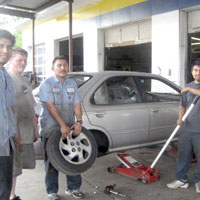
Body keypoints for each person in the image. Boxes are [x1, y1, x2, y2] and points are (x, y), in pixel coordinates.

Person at [39, 56, 84, 200]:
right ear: (53, 69)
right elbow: (50, 106)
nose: (63, 68)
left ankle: (73, 188)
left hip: (69, 127)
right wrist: (62, 125)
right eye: (59, 65)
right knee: (53, 161)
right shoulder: (47, 84)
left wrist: (79, 121)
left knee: (73, 158)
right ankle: (52, 191)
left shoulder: (72, 83)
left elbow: (77, 103)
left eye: (65, 65)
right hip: (51, 128)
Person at [8, 48, 39, 200]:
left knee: (17, 165)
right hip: (13, 132)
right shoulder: (6, 80)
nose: (23, 63)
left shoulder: (25, 81)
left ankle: (12, 194)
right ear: (10, 60)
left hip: (26, 130)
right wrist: (16, 132)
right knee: (10, 166)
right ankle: (8, 195)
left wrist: (35, 126)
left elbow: (31, 105)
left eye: (25, 60)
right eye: (19, 60)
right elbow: (8, 110)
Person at [167, 60, 200, 193]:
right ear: (192, 72)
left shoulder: (188, 88)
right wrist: (180, 117)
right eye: (196, 70)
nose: (198, 73)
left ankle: (199, 180)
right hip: (187, 128)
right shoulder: (188, 86)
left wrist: (189, 89)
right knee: (183, 155)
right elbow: (182, 105)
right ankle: (181, 180)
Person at [0, 29, 17, 200]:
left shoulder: (6, 76)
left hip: (6, 143)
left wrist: (14, 134)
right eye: (1, 46)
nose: (5, 50)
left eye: (9, 47)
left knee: (4, 187)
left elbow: (11, 108)